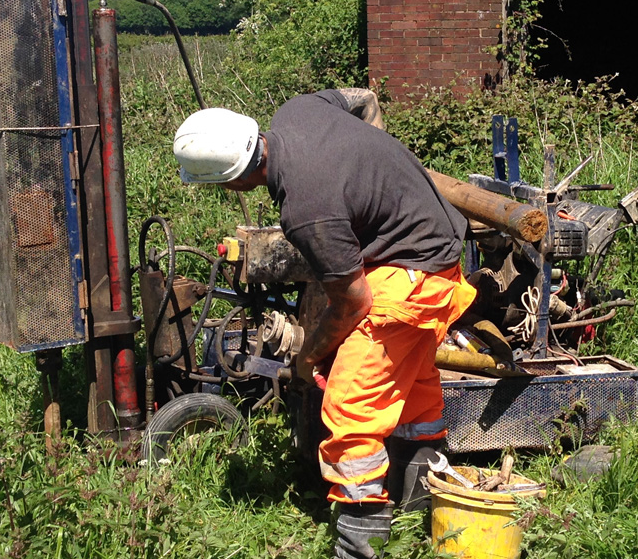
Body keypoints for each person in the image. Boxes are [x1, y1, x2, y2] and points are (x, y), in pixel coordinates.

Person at [173, 89, 476, 559]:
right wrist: (373, 163)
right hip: (436, 246)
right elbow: (363, 98)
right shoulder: (296, 110)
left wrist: (307, 355)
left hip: (410, 275)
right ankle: (422, 521)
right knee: (413, 396)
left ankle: (359, 549)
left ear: (231, 181)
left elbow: (353, 303)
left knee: (351, 409)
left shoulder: (307, 209)